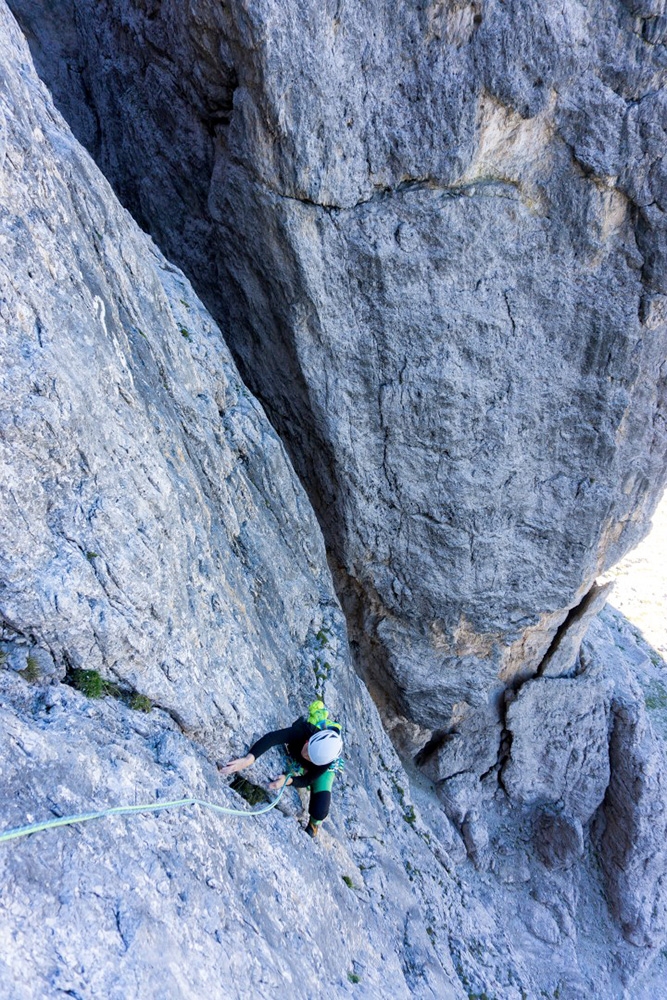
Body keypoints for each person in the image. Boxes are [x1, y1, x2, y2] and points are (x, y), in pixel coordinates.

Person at [218, 701, 343, 837]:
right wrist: (249, 759)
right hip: (309, 750)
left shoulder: (325, 763)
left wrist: (289, 781)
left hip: (318, 769)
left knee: (320, 810)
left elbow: (307, 780)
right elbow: (272, 738)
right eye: (308, 748)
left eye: (310, 757)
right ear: (311, 739)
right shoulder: (303, 731)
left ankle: (314, 824)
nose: (305, 754)